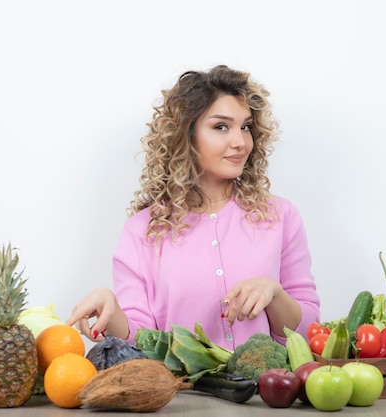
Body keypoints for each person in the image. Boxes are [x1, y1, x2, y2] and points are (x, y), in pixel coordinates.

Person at [66, 65, 320, 350]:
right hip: (183, 393)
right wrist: (111, 310)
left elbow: (309, 330)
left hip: (265, 392)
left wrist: (274, 295)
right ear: (186, 136)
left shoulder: (280, 217)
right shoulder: (143, 232)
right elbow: (144, 342)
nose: (240, 142)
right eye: (221, 127)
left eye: (245, 127)